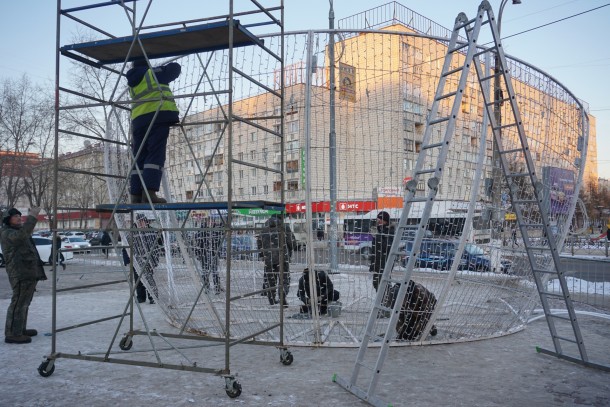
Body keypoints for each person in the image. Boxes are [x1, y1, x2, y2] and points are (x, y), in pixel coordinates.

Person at [126, 59, 181, 204]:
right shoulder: (152, 74)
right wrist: (159, 68)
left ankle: (136, 194)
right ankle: (150, 193)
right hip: (157, 116)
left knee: (139, 156)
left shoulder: (132, 82)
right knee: (155, 153)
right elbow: (175, 68)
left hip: (138, 120)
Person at [1, 207, 47, 344]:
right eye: (15, 216)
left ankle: (20, 329)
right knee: (18, 302)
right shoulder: (6, 232)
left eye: (19, 216)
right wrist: (32, 217)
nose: (19, 218)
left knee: (25, 303)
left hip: (28, 272)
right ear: (8, 219)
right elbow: (21, 236)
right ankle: (12, 334)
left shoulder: (17, 231)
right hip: (19, 273)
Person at [257, 215, 296, 306]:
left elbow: (259, 242)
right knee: (284, 278)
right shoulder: (284, 227)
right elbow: (291, 242)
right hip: (282, 257)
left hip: (268, 259)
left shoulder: (264, 229)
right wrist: (291, 248)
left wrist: (262, 255)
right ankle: (282, 293)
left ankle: (271, 299)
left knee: (271, 279)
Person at [123, 214, 161, 304]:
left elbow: (156, 247)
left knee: (149, 278)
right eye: (140, 221)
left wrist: (155, 260)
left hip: (149, 260)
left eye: (143, 221)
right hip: (136, 260)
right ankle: (141, 297)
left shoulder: (152, 231)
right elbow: (126, 248)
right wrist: (127, 261)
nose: (142, 223)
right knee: (138, 280)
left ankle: (153, 296)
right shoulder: (132, 232)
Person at [369, 211, 395, 292]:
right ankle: (382, 301)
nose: (379, 221)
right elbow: (375, 250)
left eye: (381, 219)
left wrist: (378, 236)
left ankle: (385, 302)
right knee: (377, 283)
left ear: (386, 220)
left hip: (385, 262)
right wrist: (373, 264)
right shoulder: (380, 231)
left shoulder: (390, 231)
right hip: (378, 263)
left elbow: (387, 247)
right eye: (378, 219)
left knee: (383, 284)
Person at [196, 219, 224, 294]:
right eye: (209, 221)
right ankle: (207, 287)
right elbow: (199, 243)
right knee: (205, 272)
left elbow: (222, 230)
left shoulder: (216, 231)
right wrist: (198, 254)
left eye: (212, 221)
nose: (211, 222)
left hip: (213, 254)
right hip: (204, 254)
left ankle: (217, 287)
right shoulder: (202, 231)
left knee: (214, 271)